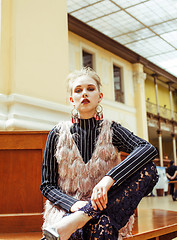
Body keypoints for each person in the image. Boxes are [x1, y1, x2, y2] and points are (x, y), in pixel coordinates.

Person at [40, 67, 159, 240]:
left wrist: (108, 179)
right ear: (72, 100)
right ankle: (81, 217)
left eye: (90, 89)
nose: (85, 94)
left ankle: (86, 215)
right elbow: (47, 185)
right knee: (102, 225)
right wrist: (74, 205)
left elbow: (148, 149)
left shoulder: (112, 129)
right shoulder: (57, 133)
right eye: (78, 90)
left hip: (106, 205)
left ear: (99, 96)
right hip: (66, 210)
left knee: (149, 170)